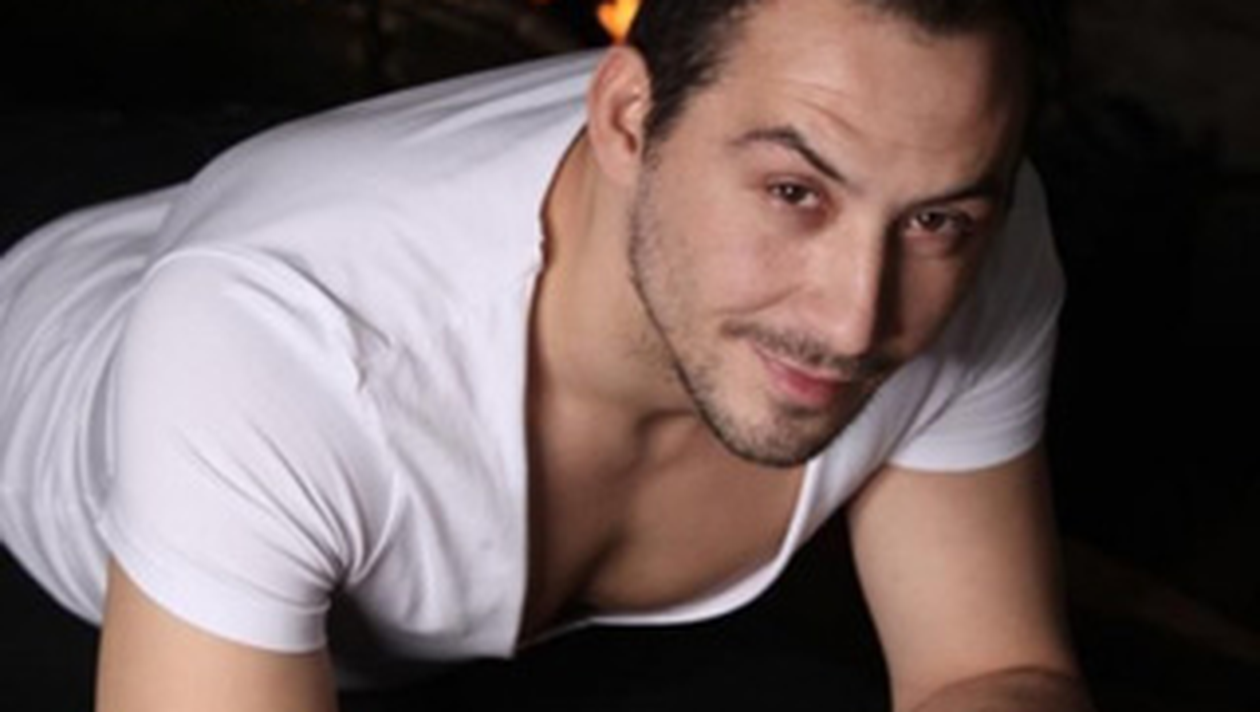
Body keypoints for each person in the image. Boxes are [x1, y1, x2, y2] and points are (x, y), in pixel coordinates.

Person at [0, 0, 1095, 709]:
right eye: (793, 191)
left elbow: (988, 668)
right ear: (627, 120)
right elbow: (260, 336)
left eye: (935, 220)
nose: (858, 322)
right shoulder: (273, 345)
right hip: (59, 386)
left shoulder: (960, 218)